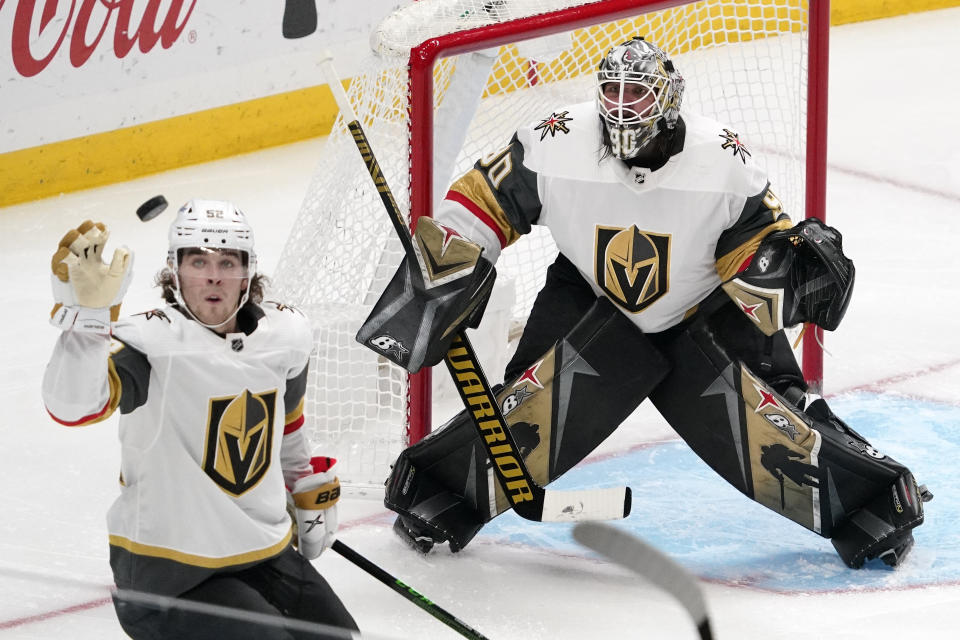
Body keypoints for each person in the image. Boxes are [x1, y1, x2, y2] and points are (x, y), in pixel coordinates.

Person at [358, 38, 931, 569]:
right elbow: (482, 199)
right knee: (519, 408)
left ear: (670, 98)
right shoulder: (554, 139)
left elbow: (758, 255)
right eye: (613, 90)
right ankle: (438, 494)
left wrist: (789, 268)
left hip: (703, 304)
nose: (624, 105)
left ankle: (873, 499)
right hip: (587, 290)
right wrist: (448, 260)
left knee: (780, 416)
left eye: (639, 92)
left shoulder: (724, 161)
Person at [42, 201, 359, 639]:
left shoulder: (285, 338)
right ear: (174, 272)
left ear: (247, 273)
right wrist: (88, 325)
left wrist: (303, 486)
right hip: (169, 573)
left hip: (263, 551)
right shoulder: (151, 345)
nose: (213, 275)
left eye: (228, 261)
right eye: (198, 261)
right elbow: (72, 407)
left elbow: (287, 425)